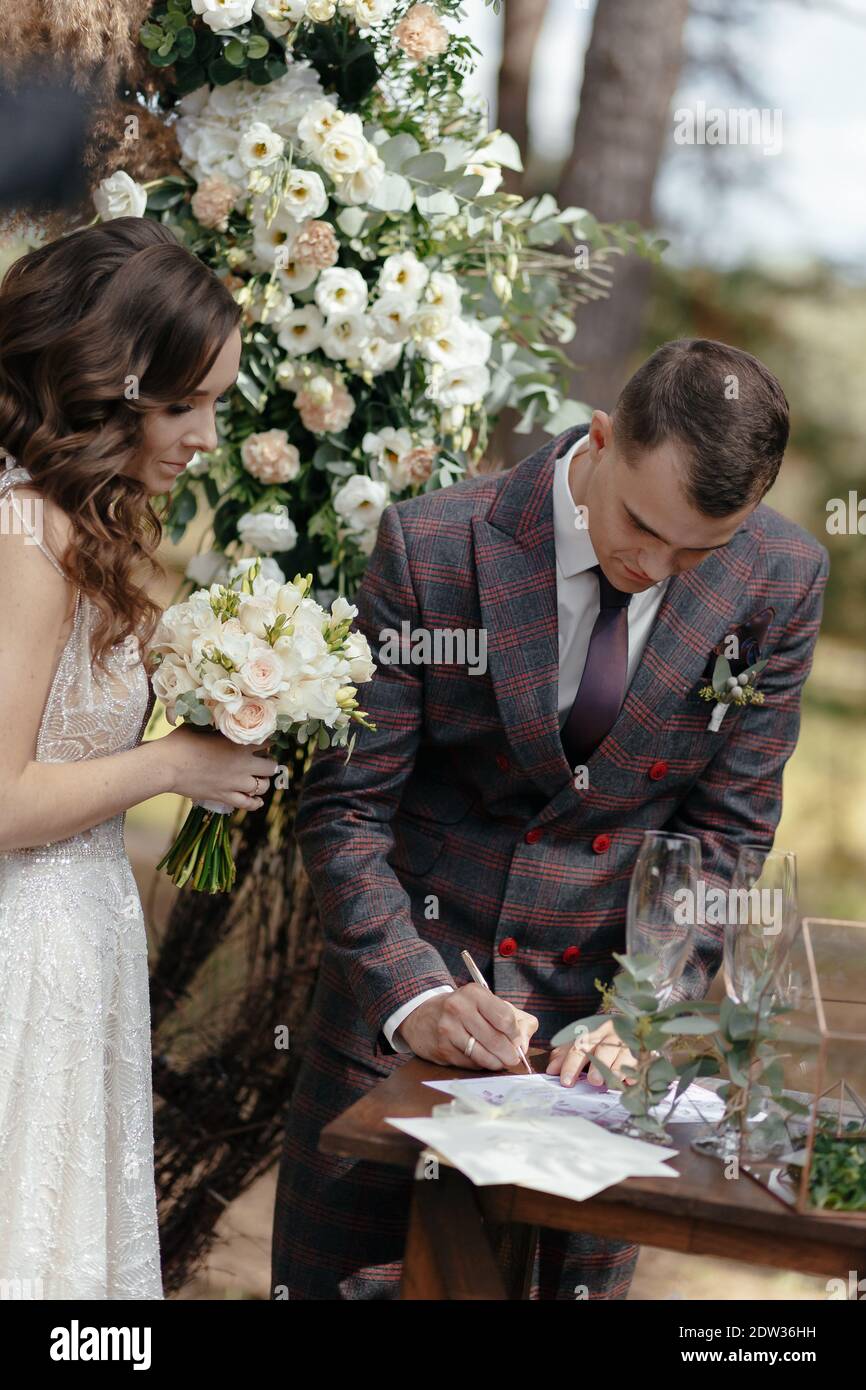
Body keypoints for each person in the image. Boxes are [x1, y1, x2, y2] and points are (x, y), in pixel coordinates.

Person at [272, 337, 829, 1301]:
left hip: (595, 1048)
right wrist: (412, 996)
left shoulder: (781, 579)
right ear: (604, 439)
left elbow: (727, 834)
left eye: (699, 550)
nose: (656, 568)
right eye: (642, 528)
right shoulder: (433, 545)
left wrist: (640, 1012)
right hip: (403, 1006)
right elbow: (349, 808)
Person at [0, 216, 279, 1299]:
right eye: (182, 405)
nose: (206, 434)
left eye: (215, 401)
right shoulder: (24, 538)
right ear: (99, 390)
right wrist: (174, 765)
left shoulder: (81, 526)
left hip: (77, 943)